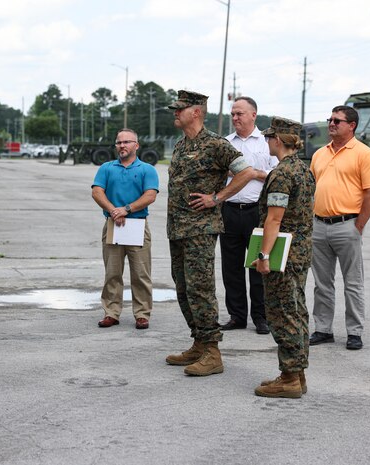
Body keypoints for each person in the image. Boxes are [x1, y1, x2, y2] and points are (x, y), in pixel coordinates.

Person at [164, 90, 254, 376]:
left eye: (180, 109)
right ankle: (199, 342)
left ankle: (213, 352)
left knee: (200, 289)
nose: (175, 113)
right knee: (183, 288)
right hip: (177, 229)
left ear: (197, 112)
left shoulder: (216, 144)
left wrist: (217, 197)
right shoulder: (180, 146)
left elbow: (247, 172)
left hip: (201, 230)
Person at [309, 105, 370, 350]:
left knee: (352, 283)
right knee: (322, 283)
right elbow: (312, 188)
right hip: (319, 226)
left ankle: (354, 332)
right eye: (330, 119)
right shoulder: (320, 154)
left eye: (337, 121)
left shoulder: (364, 154)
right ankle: (323, 329)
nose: (331, 124)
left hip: (347, 225)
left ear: (351, 125)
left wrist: (358, 225)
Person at [250, 117, 315, 398]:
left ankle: (289, 378)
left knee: (281, 312)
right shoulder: (304, 169)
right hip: (301, 251)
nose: (266, 142)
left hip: (283, 254)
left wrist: (263, 255)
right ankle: (296, 373)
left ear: (278, 140)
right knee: (296, 310)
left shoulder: (281, 174)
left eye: (268, 138)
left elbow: (274, 220)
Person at [91, 128, 159, 330]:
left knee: (140, 273)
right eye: (119, 143)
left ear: (136, 145)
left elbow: (150, 195)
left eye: (126, 142)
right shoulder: (106, 168)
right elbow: (97, 192)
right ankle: (111, 312)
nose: (122, 146)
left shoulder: (147, 169)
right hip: (113, 224)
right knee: (112, 272)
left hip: (137, 225)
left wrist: (126, 209)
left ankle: (142, 314)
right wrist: (113, 211)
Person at [220, 96, 277, 335]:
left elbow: (276, 174)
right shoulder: (225, 143)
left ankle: (261, 317)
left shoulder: (266, 143)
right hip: (230, 211)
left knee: (257, 264)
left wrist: (253, 174)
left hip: (256, 211)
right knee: (231, 268)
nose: (235, 118)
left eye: (240, 113)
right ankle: (237, 316)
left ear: (253, 115)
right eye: (233, 114)